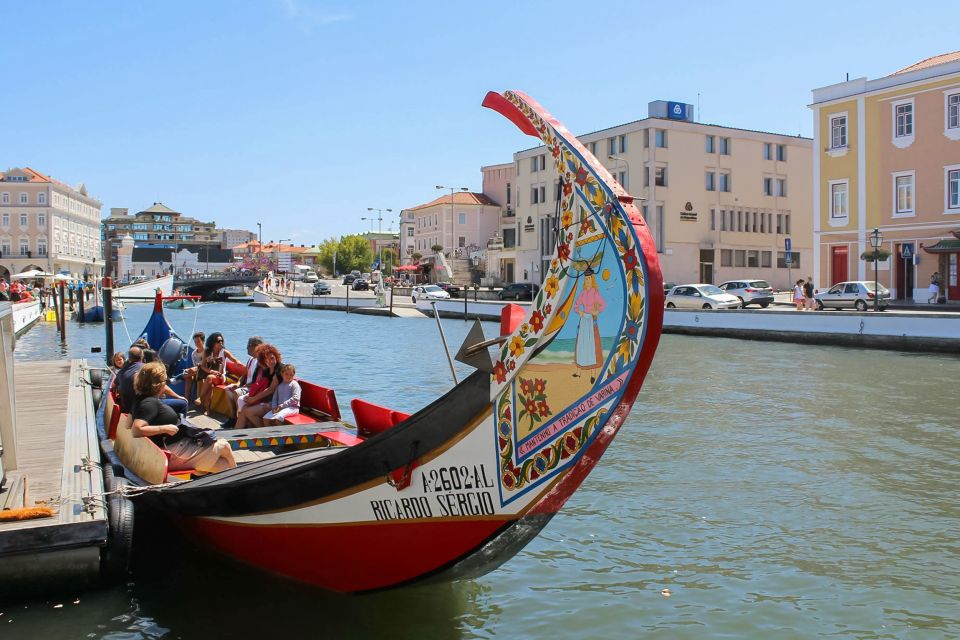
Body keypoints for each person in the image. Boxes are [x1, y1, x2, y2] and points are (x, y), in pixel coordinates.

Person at [130, 362, 236, 474]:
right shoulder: (149, 403)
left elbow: (128, 423)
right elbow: (136, 430)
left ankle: (234, 478)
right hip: (174, 454)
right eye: (164, 381)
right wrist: (164, 428)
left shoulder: (139, 399)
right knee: (224, 445)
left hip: (170, 451)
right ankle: (239, 476)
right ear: (158, 384)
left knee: (222, 464)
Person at [221, 335, 265, 428]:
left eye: (248, 345)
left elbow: (259, 381)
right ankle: (233, 418)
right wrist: (238, 383)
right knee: (227, 389)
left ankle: (240, 420)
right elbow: (244, 374)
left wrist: (242, 387)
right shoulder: (250, 360)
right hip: (246, 386)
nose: (247, 348)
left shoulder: (261, 362)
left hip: (253, 388)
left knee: (237, 393)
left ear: (255, 346)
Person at [236, 344, 283, 429]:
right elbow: (261, 386)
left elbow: (271, 389)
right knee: (244, 409)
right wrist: (250, 396)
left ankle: (265, 433)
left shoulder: (279, 369)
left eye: (272, 358)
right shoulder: (267, 370)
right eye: (267, 360)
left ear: (276, 356)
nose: (270, 362)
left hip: (277, 403)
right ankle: (235, 434)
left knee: (247, 411)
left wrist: (254, 399)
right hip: (267, 400)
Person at [572, 268, 606, 384]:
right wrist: (579, 312)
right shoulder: (583, 293)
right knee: (582, 346)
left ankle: (593, 375)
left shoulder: (595, 293)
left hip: (591, 320)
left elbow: (603, 305)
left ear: (592, 280)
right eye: (586, 279)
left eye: (589, 278)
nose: (587, 281)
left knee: (592, 347)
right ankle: (579, 372)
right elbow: (576, 306)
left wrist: (596, 311)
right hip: (584, 320)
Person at [195, 332, 240, 415]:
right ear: (213, 342)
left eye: (221, 341)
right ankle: (208, 410)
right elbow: (203, 366)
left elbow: (235, 360)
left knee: (209, 379)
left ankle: (201, 398)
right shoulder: (207, 352)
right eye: (218, 341)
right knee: (210, 385)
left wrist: (245, 367)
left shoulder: (224, 352)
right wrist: (211, 371)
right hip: (211, 375)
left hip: (222, 377)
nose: (221, 343)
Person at [115, 346, 144, 412]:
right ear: (142, 356)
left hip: (126, 410)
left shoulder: (121, 372)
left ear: (129, 359)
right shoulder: (146, 368)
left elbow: (114, 385)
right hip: (143, 408)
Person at [181, 331, 206, 402]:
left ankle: (179, 377)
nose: (196, 344)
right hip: (197, 372)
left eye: (198, 341)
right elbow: (195, 366)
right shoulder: (194, 353)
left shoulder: (207, 351)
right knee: (189, 377)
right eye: (195, 342)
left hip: (206, 371)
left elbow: (206, 365)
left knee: (188, 372)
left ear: (203, 341)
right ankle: (186, 400)